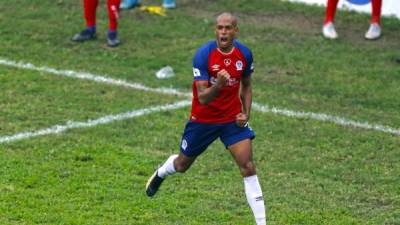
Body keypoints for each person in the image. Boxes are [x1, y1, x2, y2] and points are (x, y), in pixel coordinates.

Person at [145, 12, 266, 225]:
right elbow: (202, 98)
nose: (224, 32)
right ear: (215, 30)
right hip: (203, 119)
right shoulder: (203, 55)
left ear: (236, 30)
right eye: (220, 28)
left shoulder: (245, 54)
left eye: (228, 28)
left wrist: (246, 113)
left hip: (231, 119)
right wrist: (218, 85)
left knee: (248, 166)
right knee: (182, 165)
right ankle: (162, 171)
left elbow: (246, 86)